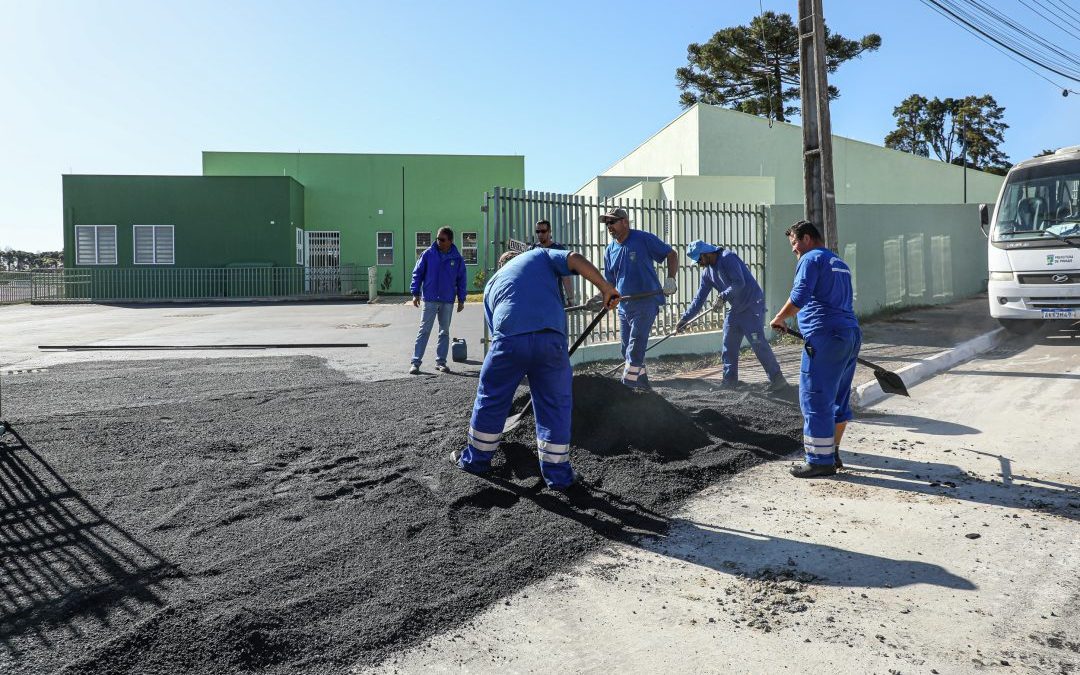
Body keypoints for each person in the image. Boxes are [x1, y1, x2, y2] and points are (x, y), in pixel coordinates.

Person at [453, 247, 620, 490]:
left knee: (492, 397)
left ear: (502, 266)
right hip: (550, 340)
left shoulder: (492, 285)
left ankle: (476, 460)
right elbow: (574, 258)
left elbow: (498, 328)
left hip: (509, 340)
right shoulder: (540, 256)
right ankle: (559, 475)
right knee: (554, 404)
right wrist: (605, 288)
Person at [769, 220, 861, 478]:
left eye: (795, 243)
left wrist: (780, 317)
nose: (794, 250)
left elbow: (800, 295)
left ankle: (819, 461)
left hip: (826, 336)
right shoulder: (839, 262)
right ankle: (833, 453)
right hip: (849, 334)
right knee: (838, 398)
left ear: (807, 238)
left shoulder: (811, 259)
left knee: (815, 398)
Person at [677, 240, 787, 391]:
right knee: (728, 346)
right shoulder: (707, 273)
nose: (699, 264)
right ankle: (729, 382)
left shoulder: (728, 258)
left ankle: (777, 380)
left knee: (758, 344)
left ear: (706, 254)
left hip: (751, 305)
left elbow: (739, 283)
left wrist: (723, 296)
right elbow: (699, 298)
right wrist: (685, 319)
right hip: (736, 309)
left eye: (699, 260)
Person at [600, 207, 679, 390]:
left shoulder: (643, 239)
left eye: (612, 222)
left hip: (645, 303)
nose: (609, 226)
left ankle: (626, 387)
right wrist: (600, 297)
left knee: (635, 347)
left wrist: (670, 279)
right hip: (624, 305)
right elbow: (610, 282)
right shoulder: (610, 250)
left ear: (625, 222)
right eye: (607, 223)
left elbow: (671, 254)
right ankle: (643, 387)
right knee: (626, 348)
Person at [409, 226, 467, 375]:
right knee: (424, 331)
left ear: (450, 241)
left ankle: (441, 362)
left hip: (447, 300)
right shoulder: (428, 254)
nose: (438, 241)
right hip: (430, 299)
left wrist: (461, 299)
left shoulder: (457, 258)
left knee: (444, 332)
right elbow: (417, 273)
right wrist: (415, 293)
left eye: (442, 239)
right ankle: (415, 363)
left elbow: (461, 279)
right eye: (437, 239)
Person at [528, 219, 576, 305]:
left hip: (554, 298)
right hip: (536, 298)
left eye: (543, 231)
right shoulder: (532, 249)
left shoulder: (558, 249)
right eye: (537, 231)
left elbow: (566, 276)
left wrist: (571, 298)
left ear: (549, 232)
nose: (540, 234)